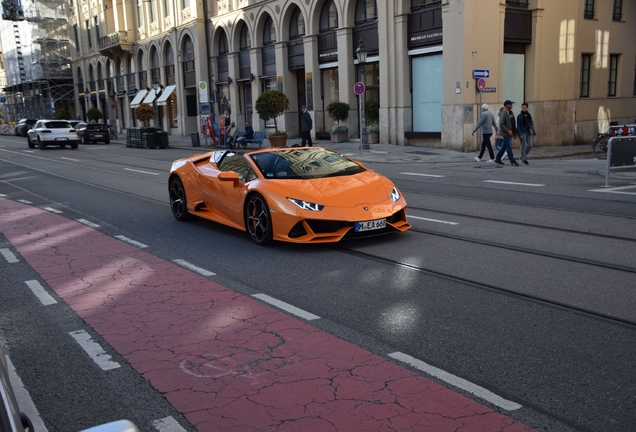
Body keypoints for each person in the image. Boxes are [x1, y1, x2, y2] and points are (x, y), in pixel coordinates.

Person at [495, 100, 519, 166]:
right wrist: (507, 131)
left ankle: (498, 158)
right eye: (510, 104)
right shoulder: (503, 113)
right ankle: (512, 161)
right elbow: (501, 124)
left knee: (504, 147)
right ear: (507, 105)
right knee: (509, 147)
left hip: (510, 132)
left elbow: (513, 123)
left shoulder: (510, 112)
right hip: (506, 133)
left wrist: (514, 132)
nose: (512, 105)